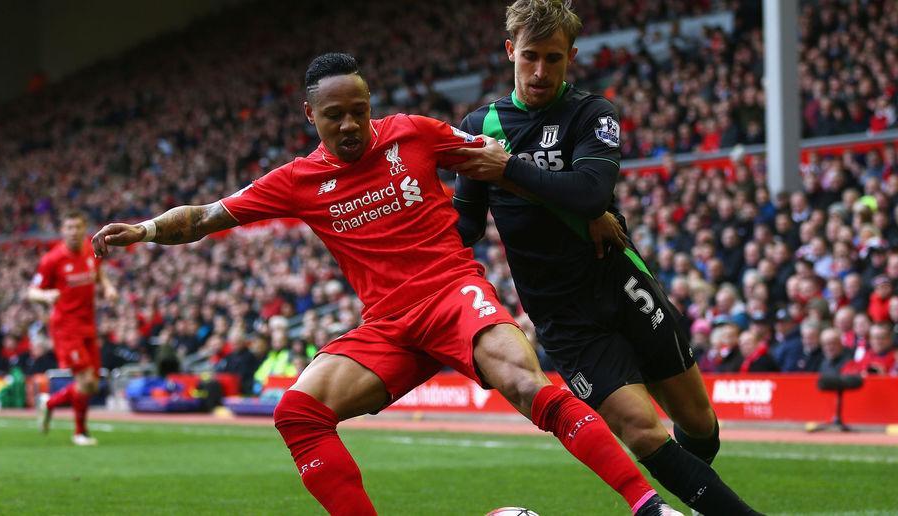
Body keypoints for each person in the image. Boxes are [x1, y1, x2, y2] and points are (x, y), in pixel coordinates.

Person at [91, 53, 679, 516]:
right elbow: (203, 218)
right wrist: (143, 230)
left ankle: (646, 506)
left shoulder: (415, 134)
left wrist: (588, 213)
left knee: (525, 382)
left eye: (359, 110)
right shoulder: (296, 181)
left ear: (370, 104)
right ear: (310, 115)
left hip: (452, 294)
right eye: (334, 115)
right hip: (389, 327)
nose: (350, 124)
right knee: (297, 412)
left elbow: (502, 161)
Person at [450, 1, 758, 514]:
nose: (540, 72)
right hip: (563, 314)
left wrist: (505, 170)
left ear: (571, 56)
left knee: (699, 423)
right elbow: (467, 225)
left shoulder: (593, 113)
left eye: (553, 58)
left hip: (620, 280)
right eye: (530, 57)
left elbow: (591, 193)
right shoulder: (480, 124)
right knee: (640, 431)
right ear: (510, 52)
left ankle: (698, 489)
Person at [28, 210, 117, 445]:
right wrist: (46, 296)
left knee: (93, 383)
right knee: (86, 381)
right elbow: (32, 291)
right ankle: (80, 432)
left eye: (77, 227)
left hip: (89, 324)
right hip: (66, 327)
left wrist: (107, 288)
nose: (73, 232)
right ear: (62, 230)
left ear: (84, 228)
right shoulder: (52, 259)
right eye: (69, 227)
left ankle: (48, 403)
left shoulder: (90, 249)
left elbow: (99, 273)